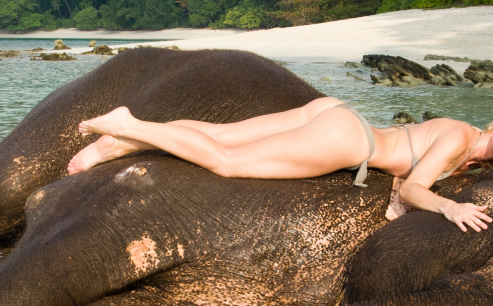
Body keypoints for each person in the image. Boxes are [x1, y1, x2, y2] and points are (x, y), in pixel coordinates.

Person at [67, 96, 492, 233]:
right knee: (225, 159)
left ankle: (117, 144)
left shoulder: (464, 140)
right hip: (347, 140)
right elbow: (417, 187)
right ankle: (130, 123)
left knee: (220, 132)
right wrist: (449, 207)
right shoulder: (460, 137)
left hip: (339, 115)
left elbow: (404, 175)